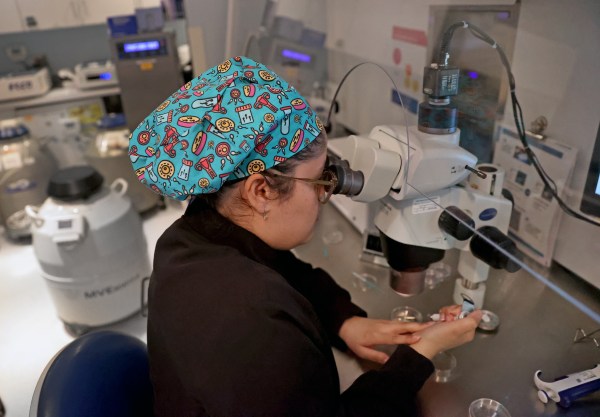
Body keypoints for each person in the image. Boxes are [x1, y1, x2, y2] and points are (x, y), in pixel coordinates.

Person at [129, 56, 482, 417]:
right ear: (260, 191)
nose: (325, 196)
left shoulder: (190, 236)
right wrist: (417, 357)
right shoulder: (252, 324)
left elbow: (285, 271)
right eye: (318, 182)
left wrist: (344, 320)